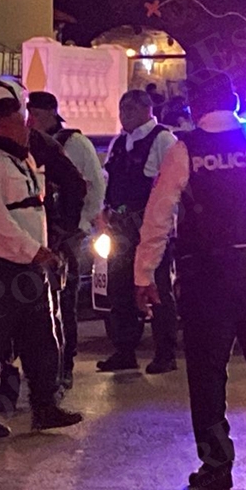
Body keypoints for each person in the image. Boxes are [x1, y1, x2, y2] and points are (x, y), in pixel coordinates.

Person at [135, 71, 246, 490]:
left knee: (207, 374)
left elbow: (158, 218)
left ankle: (216, 465)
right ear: (234, 102)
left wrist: (144, 275)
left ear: (195, 105)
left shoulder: (185, 150)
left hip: (207, 280)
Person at [0, 97, 85, 438]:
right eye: (19, 121)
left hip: (27, 265)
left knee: (41, 338)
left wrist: (45, 247)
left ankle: (44, 406)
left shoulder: (22, 157)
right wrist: (33, 250)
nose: (27, 127)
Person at [27, 91, 106, 388]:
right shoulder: (26, 143)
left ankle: (65, 364)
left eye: (35, 114)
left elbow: (94, 187)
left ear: (50, 113)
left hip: (67, 235)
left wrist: (80, 225)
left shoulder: (75, 144)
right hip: (37, 234)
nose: (30, 120)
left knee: (64, 301)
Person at [97, 90, 179, 375]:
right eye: (122, 110)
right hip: (120, 226)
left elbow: (172, 186)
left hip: (149, 228)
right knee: (119, 288)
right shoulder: (120, 142)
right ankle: (124, 350)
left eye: (130, 109)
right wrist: (104, 211)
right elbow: (108, 180)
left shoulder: (163, 140)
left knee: (156, 289)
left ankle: (165, 353)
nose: (124, 115)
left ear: (147, 109)